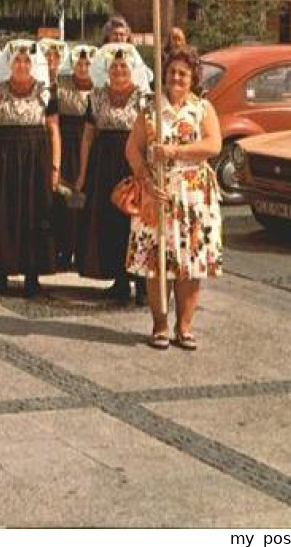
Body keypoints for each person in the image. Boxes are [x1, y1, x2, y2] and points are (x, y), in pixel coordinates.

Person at [125, 47, 223, 350]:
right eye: (172, 72)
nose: (177, 77)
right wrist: (143, 176)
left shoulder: (202, 109)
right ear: (164, 75)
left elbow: (214, 145)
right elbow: (132, 148)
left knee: (190, 264)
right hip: (159, 193)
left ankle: (185, 327)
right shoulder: (150, 109)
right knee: (157, 263)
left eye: (183, 73)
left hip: (193, 195)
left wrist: (175, 152)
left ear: (193, 76)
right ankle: (160, 325)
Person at [0, 41, 60, 297]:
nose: (22, 66)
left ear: (34, 66)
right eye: (17, 62)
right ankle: (1, 274)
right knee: (3, 213)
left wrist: (55, 168)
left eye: (27, 62)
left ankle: (32, 277)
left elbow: (54, 132)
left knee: (34, 214)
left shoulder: (46, 94)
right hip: (2, 160)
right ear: (9, 65)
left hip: (35, 161)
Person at [77, 43, 151, 303]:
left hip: (134, 162)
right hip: (104, 165)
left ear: (133, 70)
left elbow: (151, 135)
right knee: (110, 221)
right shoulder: (96, 96)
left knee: (136, 222)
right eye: (114, 66)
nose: (119, 70)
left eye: (124, 66)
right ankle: (119, 281)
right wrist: (83, 174)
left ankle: (142, 284)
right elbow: (87, 137)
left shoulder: (144, 98)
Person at [53, 44, 96, 269]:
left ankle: (82, 252)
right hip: (66, 143)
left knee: (85, 201)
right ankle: (63, 249)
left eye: (88, 63)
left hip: (89, 145)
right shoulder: (61, 85)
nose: (83, 67)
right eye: (79, 63)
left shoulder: (100, 88)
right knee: (65, 198)